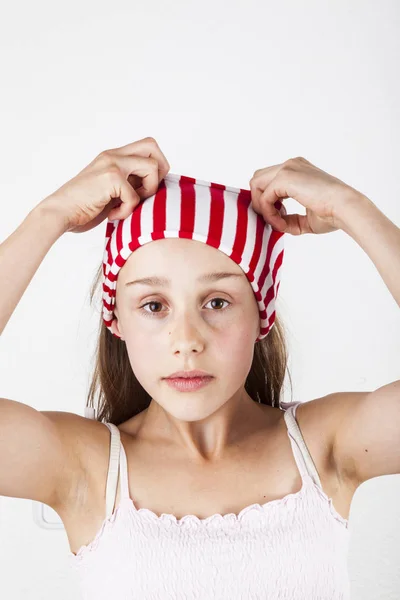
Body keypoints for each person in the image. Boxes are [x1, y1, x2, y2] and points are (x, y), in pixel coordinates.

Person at [1, 137, 399, 599]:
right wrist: (49, 216)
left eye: (216, 301)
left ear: (260, 314)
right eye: (153, 305)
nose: (187, 340)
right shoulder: (85, 470)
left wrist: (353, 208)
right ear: (118, 320)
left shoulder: (325, 447)